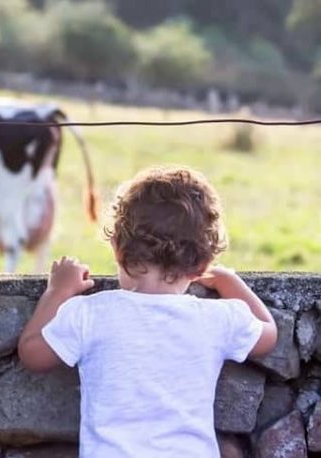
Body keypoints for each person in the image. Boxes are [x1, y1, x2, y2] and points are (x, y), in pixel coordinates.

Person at [17, 166, 278, 458]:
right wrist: (230, 282)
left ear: (117, 247)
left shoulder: (91, 313)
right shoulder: (218, 319)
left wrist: (58, 291)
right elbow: (268, 334)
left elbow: (32, 354)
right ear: (202, 265)